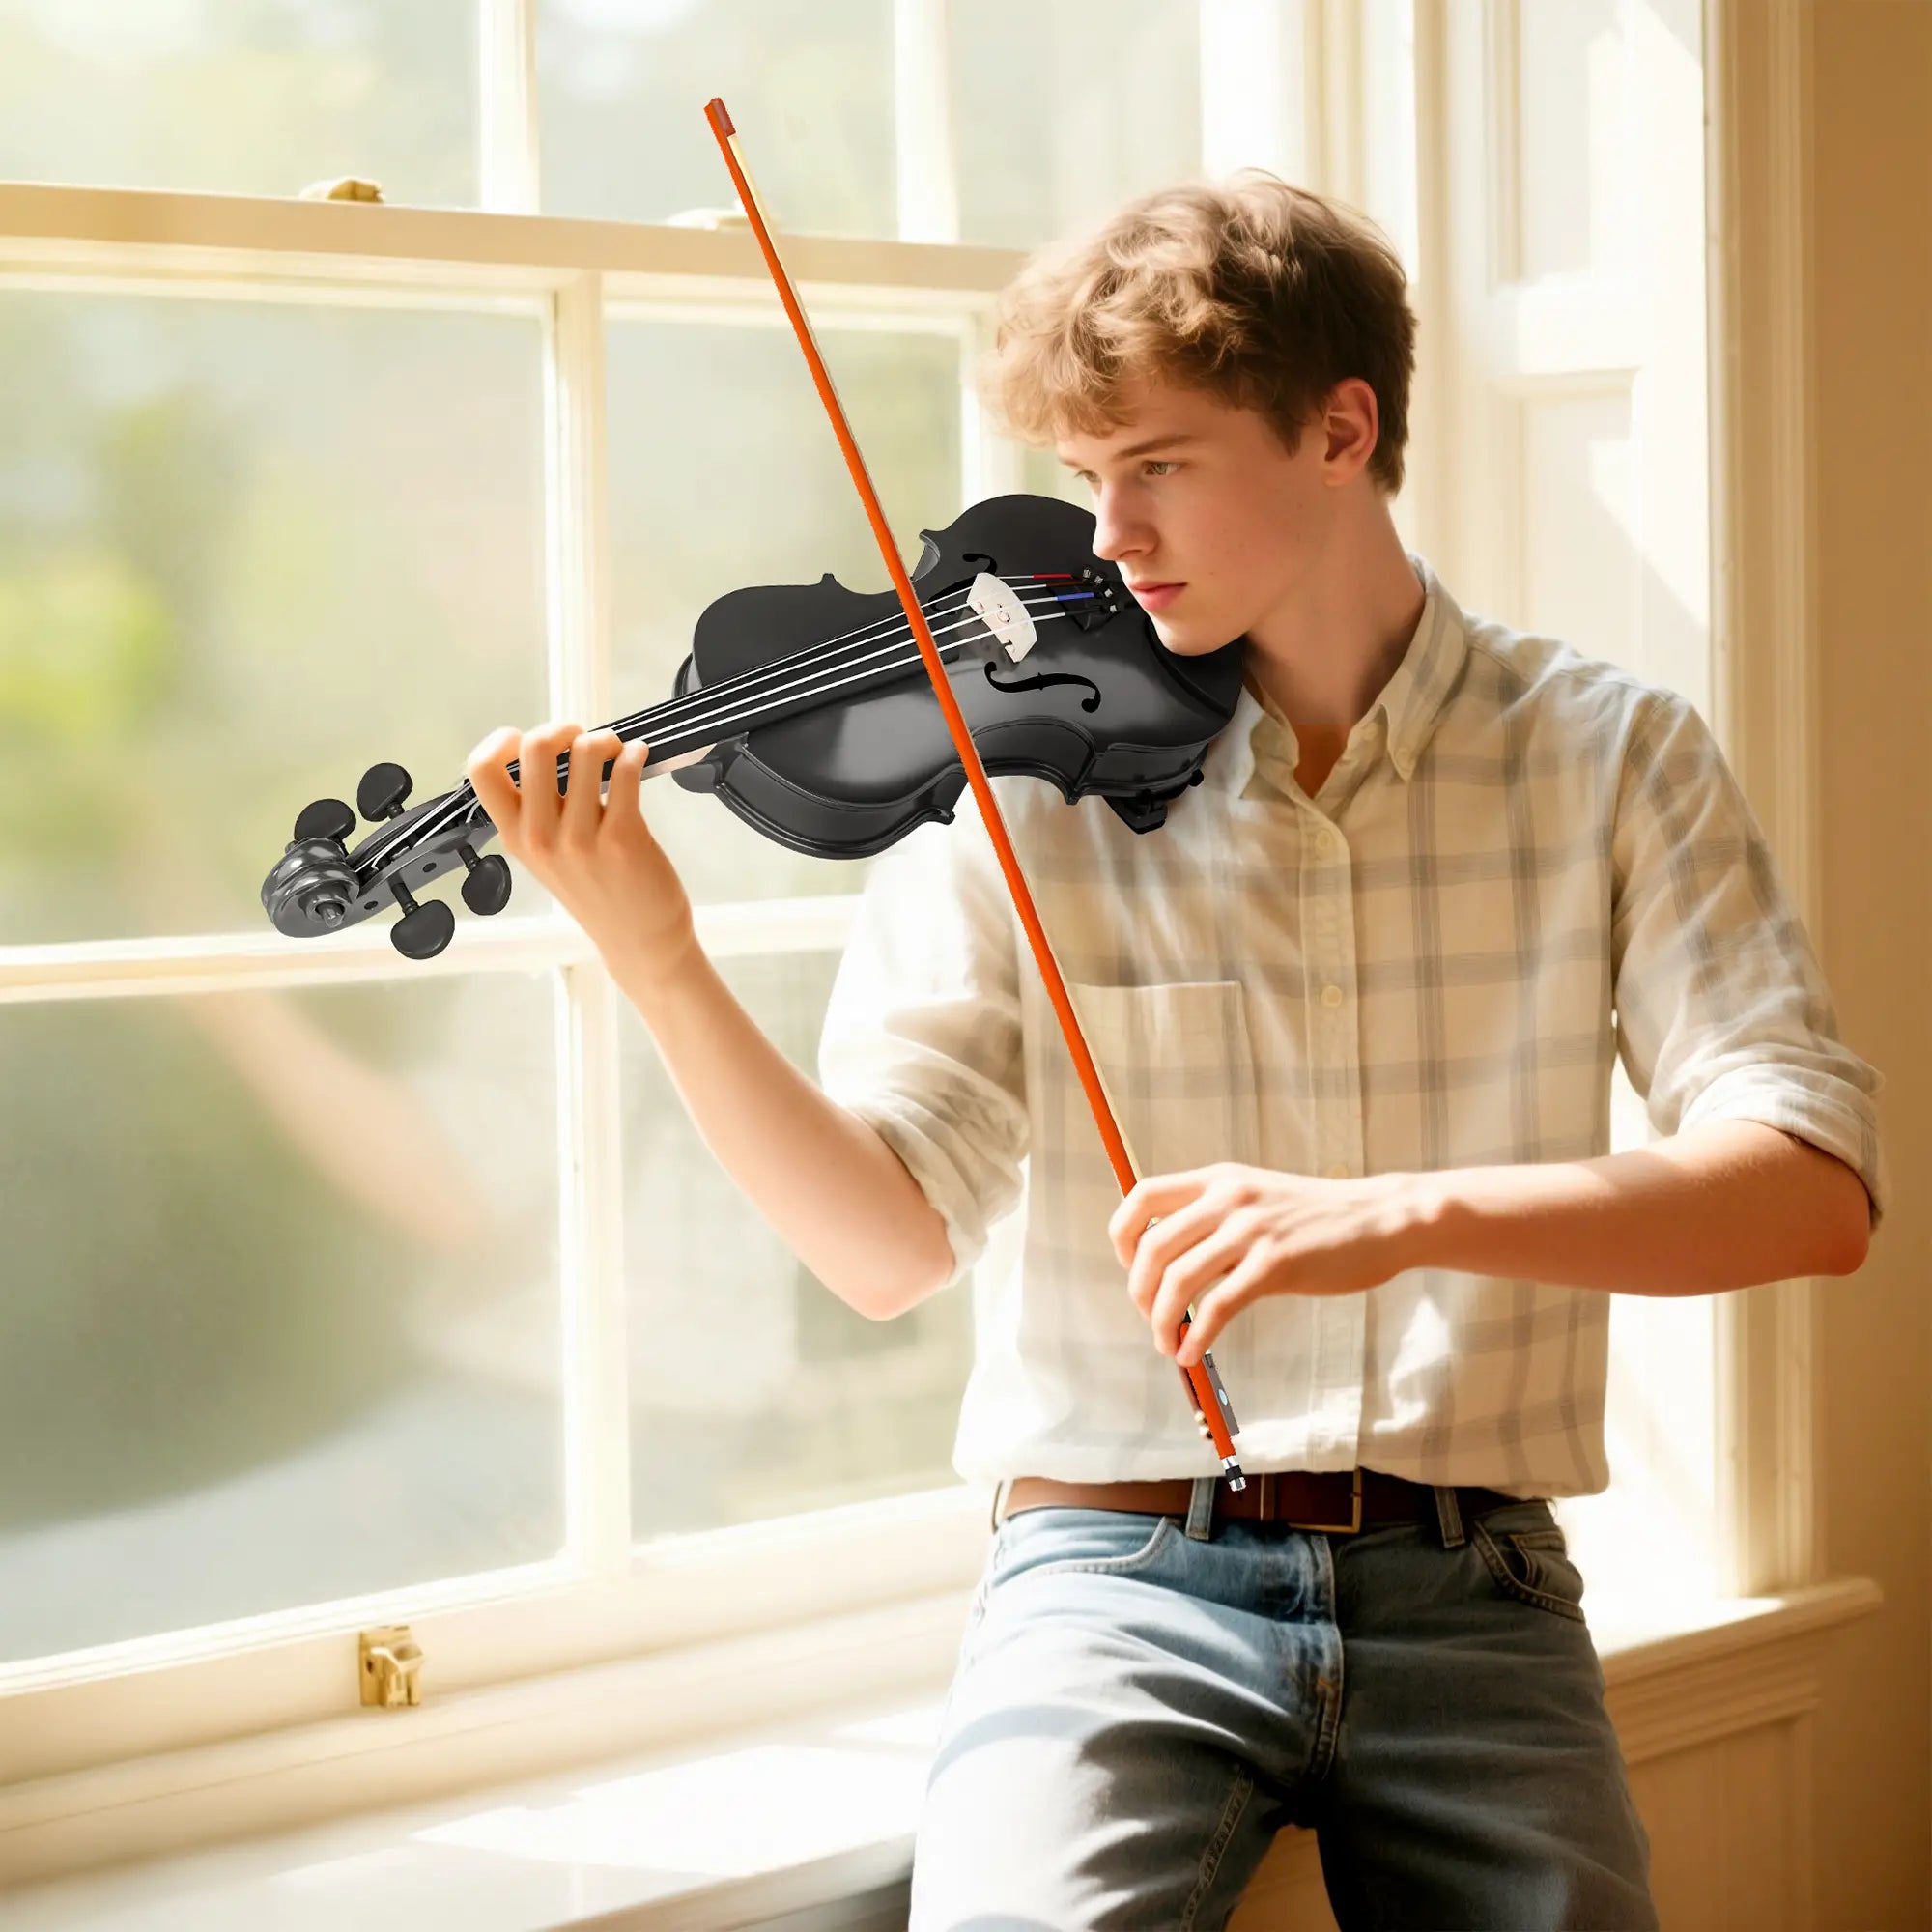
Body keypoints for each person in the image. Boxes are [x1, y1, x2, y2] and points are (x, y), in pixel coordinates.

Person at [465, 169, 1887, 1931]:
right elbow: (887, 1246)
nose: (1106, 538)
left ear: (1339, 429)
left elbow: (1811, 1194)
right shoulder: (1018, 788)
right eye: (1085, 476)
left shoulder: (1613, 752)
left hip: (1476, 1581)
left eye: (1159, 463)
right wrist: (659, 957)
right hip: (1107, 1573)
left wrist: (1393, 1218)